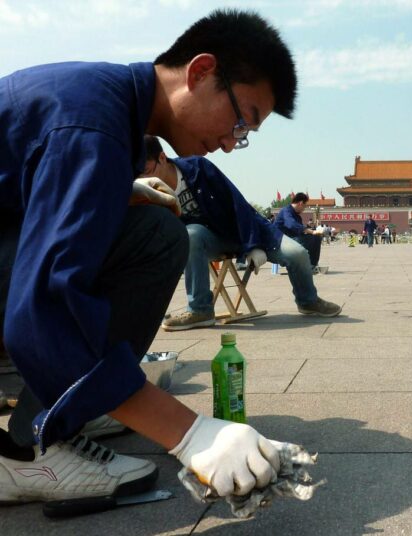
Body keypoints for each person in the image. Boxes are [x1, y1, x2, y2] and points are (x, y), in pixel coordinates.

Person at [0, 9, 301, 506]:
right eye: (239, 119)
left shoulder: (111, 104)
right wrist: (190, 433)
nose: (230, 142)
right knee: (157, 239)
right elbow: (39, 314)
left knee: (150, 230)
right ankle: (27, 452)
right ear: (201, 72)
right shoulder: (93, 125)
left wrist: (116, 190)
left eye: (244, 135)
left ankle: (71, 401)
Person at [141, 137, 341, 331]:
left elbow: (236, 202)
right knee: (191, 234)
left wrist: (252, 244)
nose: (145, 179)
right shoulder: (148, 192)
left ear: (162, 158)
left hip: (245, 230)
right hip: (209, 240)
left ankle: (308, 301)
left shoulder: (197, 169)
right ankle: (199, 310)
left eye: (148, 171)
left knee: (297, 253)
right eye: (139, 175)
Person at [274, 193, 324, 272]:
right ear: (300, 203)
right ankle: (310, 265)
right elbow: (291, 224)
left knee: (315, 238)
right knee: (314, 238)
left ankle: (311, 265)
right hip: (280, 241)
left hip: (290, 239)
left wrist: (311, 233)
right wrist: (311, 231)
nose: (304, 210)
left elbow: (299, 232)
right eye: (304, 206)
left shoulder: (297, 216)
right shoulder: (286, 211)